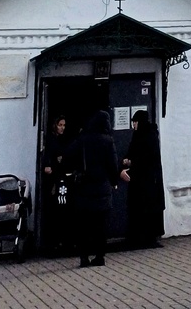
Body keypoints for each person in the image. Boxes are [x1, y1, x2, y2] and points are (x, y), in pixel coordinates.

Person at [66, 109, 119, 268]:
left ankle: (83, 258)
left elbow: (68, 155)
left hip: (84, 189)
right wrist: (114, 180)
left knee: (84, 225)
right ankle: (100, 256)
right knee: (101, 225)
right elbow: (113, 164)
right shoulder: (108, 140)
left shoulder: (82, 139)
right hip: (102, 189)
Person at [120, 110, 165, 248]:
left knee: (147, 208)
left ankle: (149, 237)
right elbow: (134, 152)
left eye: (135, 122)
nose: (133, 125)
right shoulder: (138, 136)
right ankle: (137, 237)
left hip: (149, 180)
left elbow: (148, 158)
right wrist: (127, 160)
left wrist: (132, 162)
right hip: (139, 180)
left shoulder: (150, 136)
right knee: (138, 208)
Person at [41, 115, 67, 254]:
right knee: (54, 208)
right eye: (60, 125)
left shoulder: (60, 140)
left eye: (64, 125)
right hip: (53, 179)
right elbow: (50, 156)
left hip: (58, 178)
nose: (62, 127)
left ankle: (57, 241)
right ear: (55, 125)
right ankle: (52, 242)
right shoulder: (52, 140)